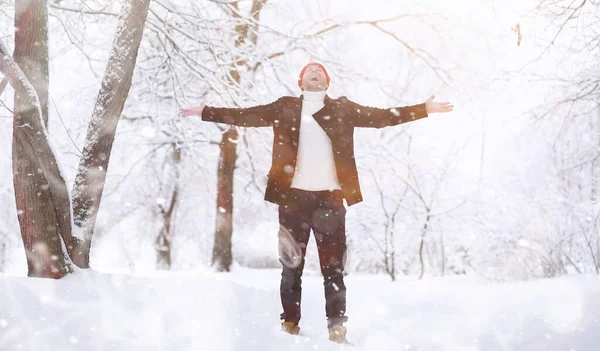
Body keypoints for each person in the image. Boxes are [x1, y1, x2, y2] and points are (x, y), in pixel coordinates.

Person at [180, 62, 454, 343]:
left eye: (320, 72)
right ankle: (289, 323)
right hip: (292, 200)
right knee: (290, 266)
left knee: (333, 268)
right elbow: (246, 116)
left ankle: (337, 328)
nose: (315, 73)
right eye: (310, 71)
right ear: (301, 81)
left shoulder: (343, 109)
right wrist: (205, 112)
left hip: (331, 201)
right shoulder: (284, 107)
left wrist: (424, 109)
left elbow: (383, 117)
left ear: (327, 82)